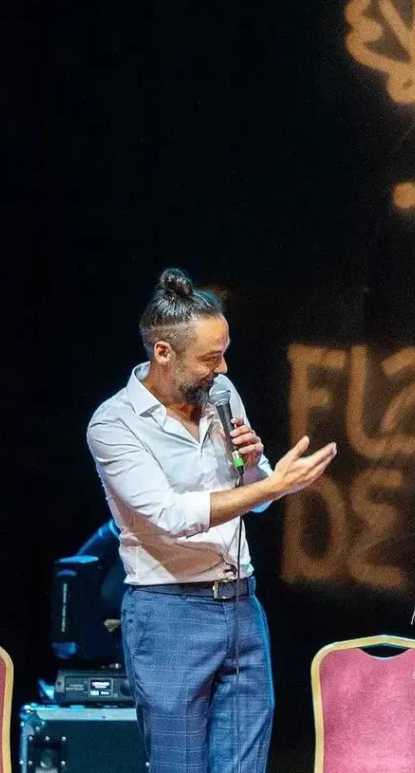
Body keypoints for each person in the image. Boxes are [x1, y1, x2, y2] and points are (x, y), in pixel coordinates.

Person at [86, 268, 336, 773]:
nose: (221, 368)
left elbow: (255, 501)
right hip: (169, 613)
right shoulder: (113, 425)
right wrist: (272, 485)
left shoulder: (221, 395)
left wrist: (256, 467)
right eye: (209, 357)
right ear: (162, 352)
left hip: (241, 605)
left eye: (224, 353)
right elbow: (170, 517)